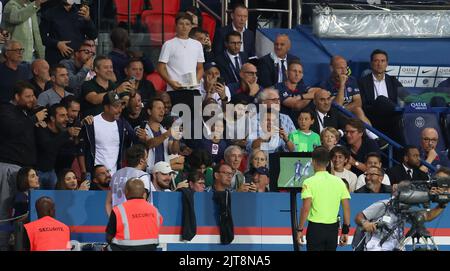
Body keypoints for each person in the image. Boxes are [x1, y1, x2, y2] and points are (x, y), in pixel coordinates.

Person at [0, 81, 47, 250]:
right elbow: (12, 129)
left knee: (24, 212)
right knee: (5, 211)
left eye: (33, 96)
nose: (32, 99)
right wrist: (34, 119)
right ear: (16, 97)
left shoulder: (25, 113)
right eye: (27, 96)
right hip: (9, 167)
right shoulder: (6, 110)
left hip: (25, 169)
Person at [354, 176, 448, 251]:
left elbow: (427, 216)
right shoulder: (384, 205)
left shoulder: (407, 208)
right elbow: (359, 216)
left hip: (397, 246)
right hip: (376, 246)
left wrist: (442, 203)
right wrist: (365, 223)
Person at [297, 146, 351, 251]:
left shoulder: (308, 182)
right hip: (332, 230)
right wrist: (345, 231)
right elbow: (346, 208)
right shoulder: (339, 181)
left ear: (312, 162)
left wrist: (300, 229)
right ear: (328, 163)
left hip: (315, 229)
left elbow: (306, 208)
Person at [320, 56, 382, 145]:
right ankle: (373, 136)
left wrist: (344, 108)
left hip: (350, 113)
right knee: (356, 111)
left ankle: (373, 137)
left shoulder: (352, 80)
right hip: (334, 116)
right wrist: (342, 85)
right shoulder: (325, 84)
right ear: (331, 68)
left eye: (345, 67)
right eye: (340, 68)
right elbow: (336, 107)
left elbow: (358, 102)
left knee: (358, 109)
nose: (344, 71)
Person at [80, 91, 140, 175]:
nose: (119, 110)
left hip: (116, 175)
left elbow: (137, 140)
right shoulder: (91, 123)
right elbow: (81, 149)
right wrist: (84, 172)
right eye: (116, 106)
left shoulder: (122, 124)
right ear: (106, 107)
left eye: (120, 106)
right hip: (96, 176)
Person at [358, 49, 403, 142]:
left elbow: (406, 97)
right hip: (373, 117)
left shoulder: (393, 81)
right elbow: (363, 105)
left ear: (387, 64)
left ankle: (402, 153)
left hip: (391, 117)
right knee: (381, 100)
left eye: (382, 61)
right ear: (371, 63)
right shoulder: (362, 82)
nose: (379, 64)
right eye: (376, 61)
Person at [106, 178, 163, 251]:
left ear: (126, 192)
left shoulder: (119, 210)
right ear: (144, 193)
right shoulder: (154, 210)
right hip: (150, 248)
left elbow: (109, 236)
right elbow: (157, 226)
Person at [35, 103, 80, 189]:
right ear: (52, 118)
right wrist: (67, 134)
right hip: (37, 172)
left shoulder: (63, 132)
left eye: (67, 115)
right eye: (62, 116)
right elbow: (48, 147)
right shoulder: (41, 128)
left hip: (52, 172)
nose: (67, 119)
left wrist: (75, 140)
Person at [39, 0, 98, 65]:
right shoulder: (50, 13)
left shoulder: (81, 12)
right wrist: (57, 44)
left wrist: (88, 19)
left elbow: (93, 35)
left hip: (78, 61)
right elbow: (41, 37)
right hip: (57, 60)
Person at [157, 12, 204, 91]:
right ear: (176, 26)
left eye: (187, 24)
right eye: (181, 24)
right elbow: (160, 68)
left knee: (197, 103)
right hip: (174, 89)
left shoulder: (197, 44)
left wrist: (196, 81)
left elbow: (200, 68)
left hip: (195, 90)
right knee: (177, 104)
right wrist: (171, 82)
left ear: (191, 26)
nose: (184, 27)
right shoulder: (168, 44)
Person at [136, 97, 181, 173]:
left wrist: (176, 139)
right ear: (149, 111)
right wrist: (167, 134)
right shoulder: (141, 129)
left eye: (163, 109)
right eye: (159, 108)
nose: (162, 111)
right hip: (146, 173)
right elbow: (149, 143)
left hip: (163, 173)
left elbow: (173, 151)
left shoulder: (164, 131)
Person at [105, 144, 151, 216]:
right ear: (141, 161)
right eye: (147, 157)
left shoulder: (115, 175)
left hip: (118, 220)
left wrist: (113, 221)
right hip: (135, 222)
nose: (148, 160)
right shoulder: (143, 176)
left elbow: (108, 203)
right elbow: (142, 203)